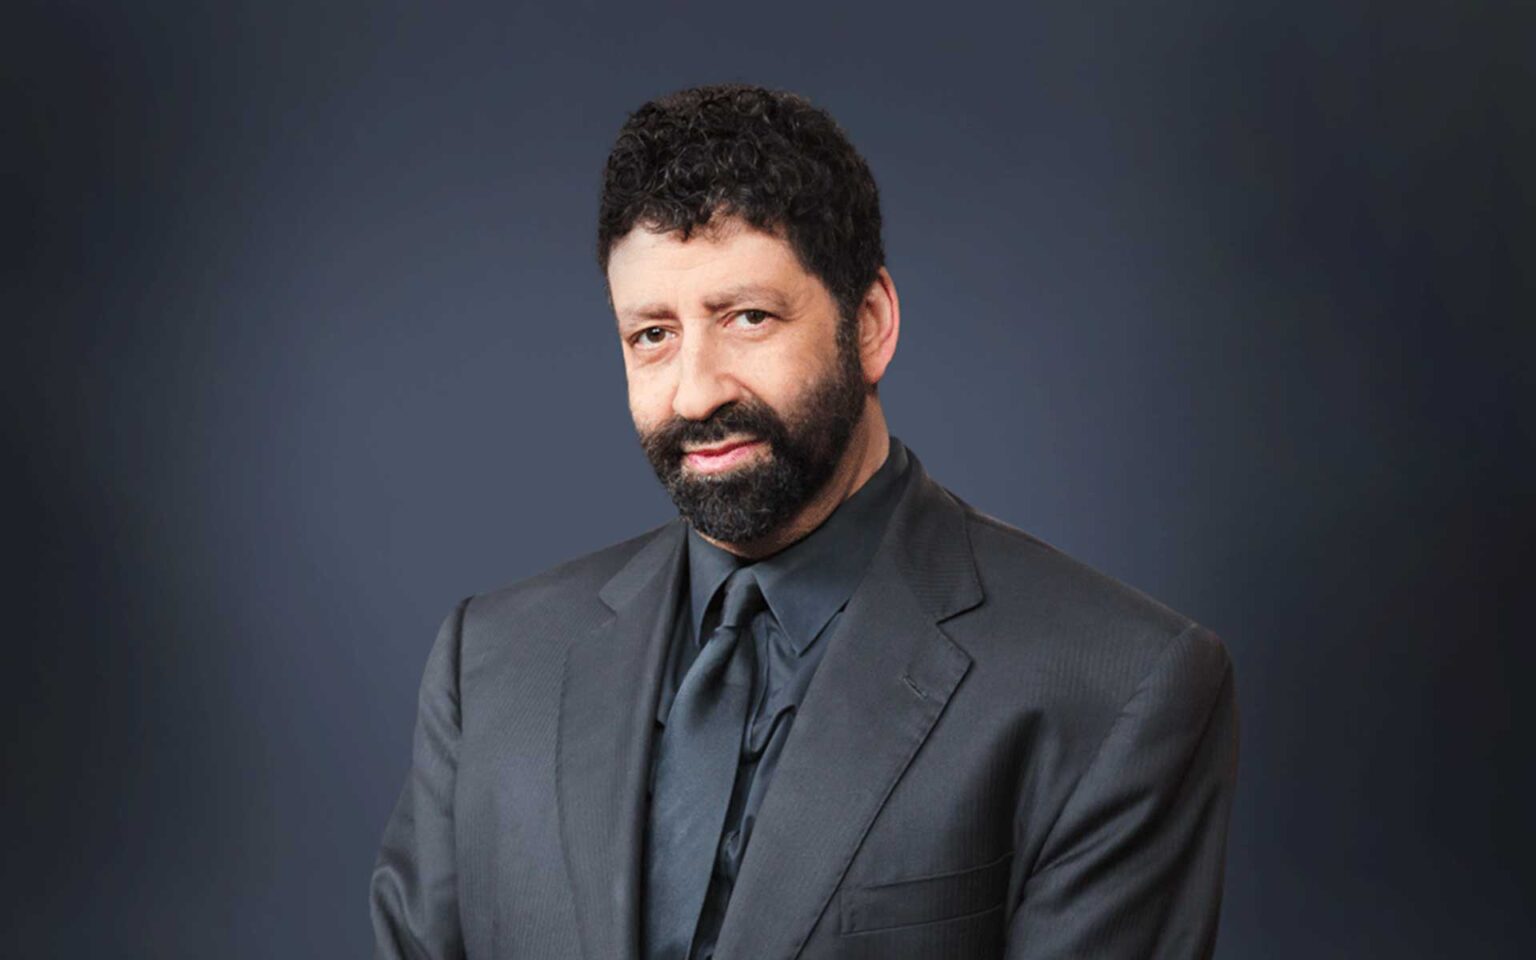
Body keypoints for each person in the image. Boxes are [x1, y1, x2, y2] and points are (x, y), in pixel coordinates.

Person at [370, 83, 1239, 960]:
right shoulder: (490, 667)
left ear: (871, 325)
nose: (695, 392)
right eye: (652, 335)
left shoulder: (1117, 688)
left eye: (748, 317)